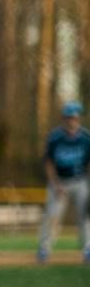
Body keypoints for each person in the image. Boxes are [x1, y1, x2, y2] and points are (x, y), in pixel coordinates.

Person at [38, 101, 90, 263]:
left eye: (73, 118)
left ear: (78, 119)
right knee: (52, 215)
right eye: (68, 118)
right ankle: (44, 248)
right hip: (59, 182)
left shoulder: (86, 138)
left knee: (85, 216)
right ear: (64, 119)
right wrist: (56, 184)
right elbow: (49, 163)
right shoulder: (55, 138)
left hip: (80, 182)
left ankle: (88, 248)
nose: (71, 121)